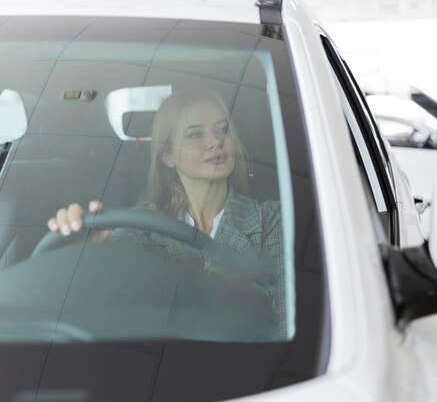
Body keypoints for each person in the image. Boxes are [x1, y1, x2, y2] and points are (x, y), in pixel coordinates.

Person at [47, 89, 285, 340]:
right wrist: (88, 257)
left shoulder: (271, 219)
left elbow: (285, 320)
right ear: (168, 156)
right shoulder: (143, 225)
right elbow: (112, 303)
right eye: (195, 134)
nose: (216, 141)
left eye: (222, 129)